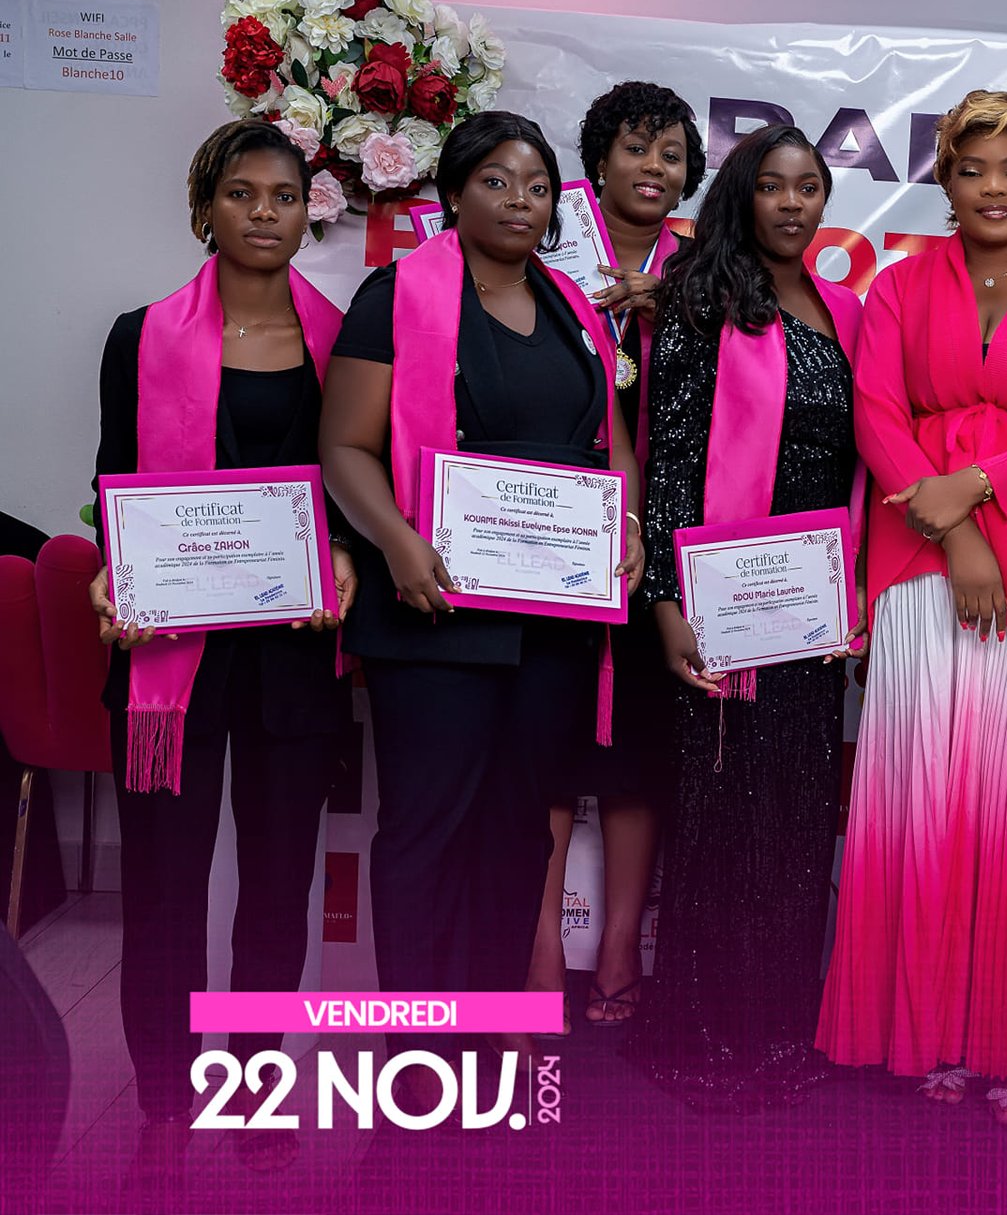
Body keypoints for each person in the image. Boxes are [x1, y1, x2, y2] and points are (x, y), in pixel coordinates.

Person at [816, 90, 1007, 1126]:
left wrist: (981, 488)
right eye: (972, 167)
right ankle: (931, 1031)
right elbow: (876, 415)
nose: (994, 187)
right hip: (921, 553)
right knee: (926, 800)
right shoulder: (900, 287)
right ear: (945, 179)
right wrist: (954, 532)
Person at [318, 112, 642, 1104]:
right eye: (496, 181)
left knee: (519, 838)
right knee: (426, 836)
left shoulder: (572, 309)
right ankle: (418, 1062)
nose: (518, 201)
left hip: (550, 630)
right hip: (435, 620)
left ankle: (493, 1037)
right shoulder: (396, 295)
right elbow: (345, 445)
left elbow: (610, 441)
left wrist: (627, 525)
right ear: (454, 193)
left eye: (536, 186)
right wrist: (397, 541)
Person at [87, 119, 353, 1182]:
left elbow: (360, 486)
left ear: (307, 212)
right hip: (170, 655)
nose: (263, 213)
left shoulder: (345, 342)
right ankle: (164, 1085)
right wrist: (113, 574)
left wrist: (347, 563)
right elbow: (114, 481)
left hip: (293, 653)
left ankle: (255, 1082)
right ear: (206, 207)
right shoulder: (138, 336)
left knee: (277, 883)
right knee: (164, 883)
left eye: (283, 196)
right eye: (241, 193)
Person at [625, 124, 863, 1111]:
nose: (793, 204)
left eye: (809, 187)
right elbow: (672, 459)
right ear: (742, 194)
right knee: (723, 818)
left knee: (797, 823)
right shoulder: (701, 302)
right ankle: (704, 1032)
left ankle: (777, 1025)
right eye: (773, 186)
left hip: (809, 614)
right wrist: (666, 603)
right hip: (721, 604)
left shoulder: (845, 311)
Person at [528, 81, 707, 1032]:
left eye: (672, 155)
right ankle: (539, 958)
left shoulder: (705, 273)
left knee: (639, 755)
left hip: (658, 540)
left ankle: (622, 951)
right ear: (597, 161)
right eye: (637, 149)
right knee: (550, 754)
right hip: (546, 536)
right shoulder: (541, 246)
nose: (653, 168)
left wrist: (674, 307)